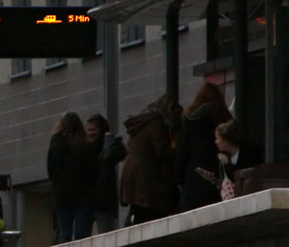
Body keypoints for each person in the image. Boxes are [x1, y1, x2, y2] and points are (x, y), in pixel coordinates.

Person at [119, 94, 181, 225]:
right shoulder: (156, 124)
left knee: (137, 209)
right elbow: (161, 150)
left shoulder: (143, 123)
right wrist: (176, 150)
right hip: (145, 174)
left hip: (133, 172)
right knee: (148, 209)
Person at [174, 82, 232, 211]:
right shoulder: (224, 118)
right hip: (217, 178)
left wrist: (179, 178)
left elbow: (183, 153)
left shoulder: (190, 121)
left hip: (194, 179)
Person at [47, 111, 97, 242]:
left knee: (65, 233)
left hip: (62, 195)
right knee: (82, 234)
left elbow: (51, 171)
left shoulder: (56, 145)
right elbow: (93, 171)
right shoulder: (86, 146)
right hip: (83, 194)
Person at [85, 113, 126, 233]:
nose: (90, 133)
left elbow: (115, 156)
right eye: (88, 130)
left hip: (104, 201)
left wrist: (110, 141)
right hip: (88, 201)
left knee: (107, 235)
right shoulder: (85, 149)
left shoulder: (109, 145)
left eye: (93, 130)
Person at [214, 119, 261, 199]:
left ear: (226, 141)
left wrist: (228, 164)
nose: (216, 142)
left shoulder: (249, 153)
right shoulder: (223, 157)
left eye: (218, 138)